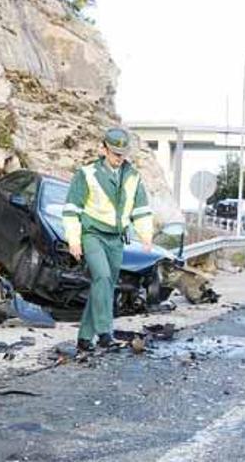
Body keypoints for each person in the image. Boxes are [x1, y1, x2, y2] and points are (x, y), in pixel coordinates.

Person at [62, 128, 154, 352]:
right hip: (92, 234)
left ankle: (84, 338)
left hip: (116, 239)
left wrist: (146, 236)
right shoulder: (87, 174)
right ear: (103, 149)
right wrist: (73, 240)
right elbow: (72, 210)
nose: (119, 158)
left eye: (122, 154)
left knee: (105, 286)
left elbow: (141, 209)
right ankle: (105, 333)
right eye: (114, 153)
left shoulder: (133, 176)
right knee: (102, 277)